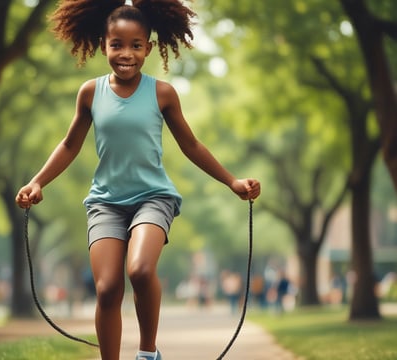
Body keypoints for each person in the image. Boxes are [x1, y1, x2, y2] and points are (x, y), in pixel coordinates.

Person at [15, 1, 261, 359]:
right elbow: (69, 145)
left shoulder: (162, 93)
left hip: (153, 198)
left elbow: (191, 145)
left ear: (148, 47)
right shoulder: (90, 93)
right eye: (117, 44)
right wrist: (37, 182)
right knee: (107, 288)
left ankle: (148, 353)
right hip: (105, 202)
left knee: (141, 270)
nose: (125, 53)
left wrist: (232, 182)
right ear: (104, 45)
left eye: (135, 45)